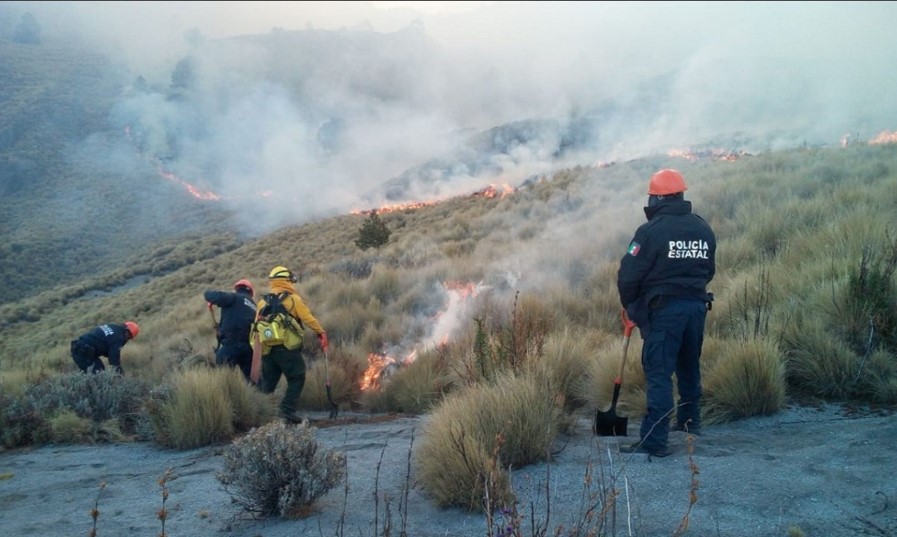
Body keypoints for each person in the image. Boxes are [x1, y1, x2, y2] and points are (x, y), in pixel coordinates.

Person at [616, 168, 716, 458]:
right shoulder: (702, 228)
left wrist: (633, 308)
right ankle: (689, 422)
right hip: (696, 308)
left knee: (659, 372)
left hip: (664, 312)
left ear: (657, 198)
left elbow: (628, 276)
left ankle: (654, 441)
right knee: (688, 366)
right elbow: (709, 270)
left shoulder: (650, 232)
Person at [252, 265, 328, 423]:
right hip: (287, 348)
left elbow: (256, 327)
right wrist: (320, 332)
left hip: (267, 349)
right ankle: (286, 411)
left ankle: (261, 414)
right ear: (286, 281)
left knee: (268, 383)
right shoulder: (292, 299)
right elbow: (307, 318)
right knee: (297, 377)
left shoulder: (261, 302)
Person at [204, 279, 258, 382]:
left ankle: (229, 395)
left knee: (225, 380)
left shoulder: (234, 297)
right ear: (250, 292)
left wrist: (206, 293)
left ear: (237, 289)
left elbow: (213, 296)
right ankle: (259, 395)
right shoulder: (254, 306)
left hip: (231, 345)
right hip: (249, 348)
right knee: (251, 380)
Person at [70, 321, 140, 375]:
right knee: (99, 375)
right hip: (84, 352)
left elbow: (105, 347)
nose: (127, 339)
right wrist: (120, 374)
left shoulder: (112, 326)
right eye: (129, 337)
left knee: (96, 370)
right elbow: (114, 360)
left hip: (78, 347)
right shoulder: (119, 338)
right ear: (128, 333)